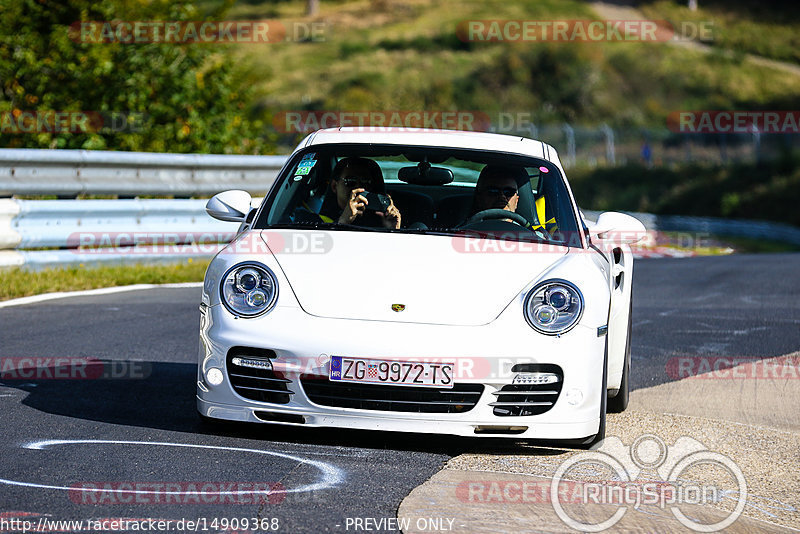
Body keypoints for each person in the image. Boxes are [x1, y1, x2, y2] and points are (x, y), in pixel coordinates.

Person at [321, 157, 402, 229]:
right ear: (334, 186)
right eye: (350, 181)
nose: (358, 187)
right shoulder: (318, 221)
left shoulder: (382, 221)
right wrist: (343, 221)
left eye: (365, 181)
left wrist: (393, 229)